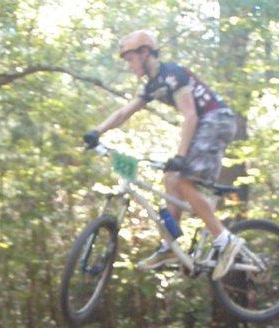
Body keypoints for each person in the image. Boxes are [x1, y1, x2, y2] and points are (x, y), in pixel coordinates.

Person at [83, 29, 244, 280]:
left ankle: (225, 240)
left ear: (145, 53)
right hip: (204, 123)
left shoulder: (172, 75)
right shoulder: (153, 84)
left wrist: (180, 156)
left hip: (216, 119)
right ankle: (171, 245)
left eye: (130, 58)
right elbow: (124, 113)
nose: (128, 64)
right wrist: (96, 131)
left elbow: (190, 115)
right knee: (171, 178)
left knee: (182, 179)